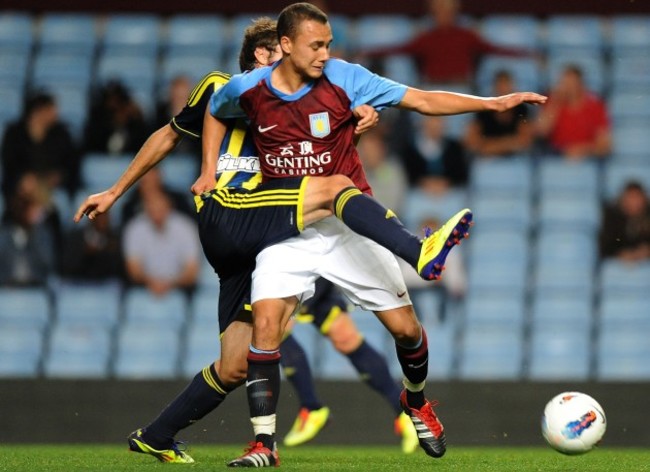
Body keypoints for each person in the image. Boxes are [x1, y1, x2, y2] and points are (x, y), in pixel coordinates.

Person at [203, 3, 545, 466]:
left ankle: (417, 400)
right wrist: (207, 171)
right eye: (316, 45)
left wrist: (491, 103)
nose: (326, 53)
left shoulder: (346, 78)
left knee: (406, 330)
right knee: (266, 328)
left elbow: (422, 99)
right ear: (285, 45)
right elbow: (213, 109)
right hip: (286, 228)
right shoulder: (249, 88)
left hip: (349, 224)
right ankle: (264, 443)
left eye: (328, 44)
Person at [74, 18, 411, 465]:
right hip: (236, 218)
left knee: (235, 363)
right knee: (330, 202)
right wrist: (115, 191)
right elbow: (170, 134)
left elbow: (331, 130)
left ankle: (156, 435)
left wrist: (362, 117)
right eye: (287, 55)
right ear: (264, 54)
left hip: (268, 232)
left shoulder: (302, 98)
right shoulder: (225, 88)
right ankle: (414, 252)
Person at [280, 278, 419, 453]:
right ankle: (310, 407)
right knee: (342, 336)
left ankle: (405, 413)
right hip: (296, 266)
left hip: (313, 266)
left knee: (279, 326)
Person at [360, 0, 529, 86]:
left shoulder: (466, 35)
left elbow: (493, 48)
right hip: (432, 90)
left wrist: (528, 54)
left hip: (461, 89)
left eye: (447, 10)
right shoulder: (427, 36)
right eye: (439, 10)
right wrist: (366, 52)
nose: (443, 15)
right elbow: (400, 49)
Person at [1, 91, 80, 200]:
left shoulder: (61, 134)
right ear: (38, 111)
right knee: (28, 190)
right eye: (51, 109)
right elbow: (9, 164)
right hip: (19, 187)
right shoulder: (14, 133)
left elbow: (71, 164)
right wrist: (22, 179)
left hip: (52, 186)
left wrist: (58, 176)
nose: (56, 113)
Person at [122, 189, 201, 297]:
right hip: (143, 290)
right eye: (152, 208)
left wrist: (169, 284)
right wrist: (151, 282)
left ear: (169, 207)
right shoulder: (134, 228)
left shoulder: (186, 227)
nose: (156, 213)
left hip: (179, 291)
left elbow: (192, 271)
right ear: (145, 208)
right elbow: (133, 270)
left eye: (160, 208)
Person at [536, 65, 611, 160]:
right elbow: (541, 132)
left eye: (571, 83)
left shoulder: (595, 106)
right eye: (564, 83)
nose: (568, 87)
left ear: (581, 85)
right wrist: (556, 102)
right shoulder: (552, 101)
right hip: (556, 154)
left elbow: (604, 144)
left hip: (586, 155)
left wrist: (582, 150)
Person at [463, 69, 534, 158]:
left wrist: (492, 146)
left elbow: (525, 140)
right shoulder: (483, 108)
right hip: (487, 160)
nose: (503, 90)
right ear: (494, 88)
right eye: (500, 86)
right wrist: (508, 143)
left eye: (506, 86)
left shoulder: (522, 109)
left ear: (513, 88)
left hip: (516, 159)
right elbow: (472, 141)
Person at [399, 115, 469, 194]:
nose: (436, 126)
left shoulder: (454, 147)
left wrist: (445, 183)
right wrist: (425, 183)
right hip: (419, 192)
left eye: (439, 122)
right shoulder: (411, 147)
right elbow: (407, 174)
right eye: (432, 121)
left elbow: (461, 175)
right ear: (423, 124)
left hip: (449, 192)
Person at [82, 80, 152, 155]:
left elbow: (145, 146)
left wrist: (136, 119)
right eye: (111, 109)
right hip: (101, 160)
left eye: (118, 103)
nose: (113, 104)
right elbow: (91, 147)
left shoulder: (136, 124)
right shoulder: (97, 122)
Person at [59, 211, 123, 283]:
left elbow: (119, 270)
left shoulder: (114, 240)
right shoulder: (76, 237)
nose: (103, 220)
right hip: (79, 283)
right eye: (100, 217)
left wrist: (105, 251)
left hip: (106, 284)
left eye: (106, 217)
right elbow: (66, 267)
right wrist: (85, 253)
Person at [599, 181, 650, 262]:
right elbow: (606, 245)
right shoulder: (612, 217)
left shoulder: (647, 216)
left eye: (637, 198)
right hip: (618, 264)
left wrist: (646, 251)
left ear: (644, 199)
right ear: (623, 200)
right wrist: (620, 253)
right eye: (630, 197)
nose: (634, 203)